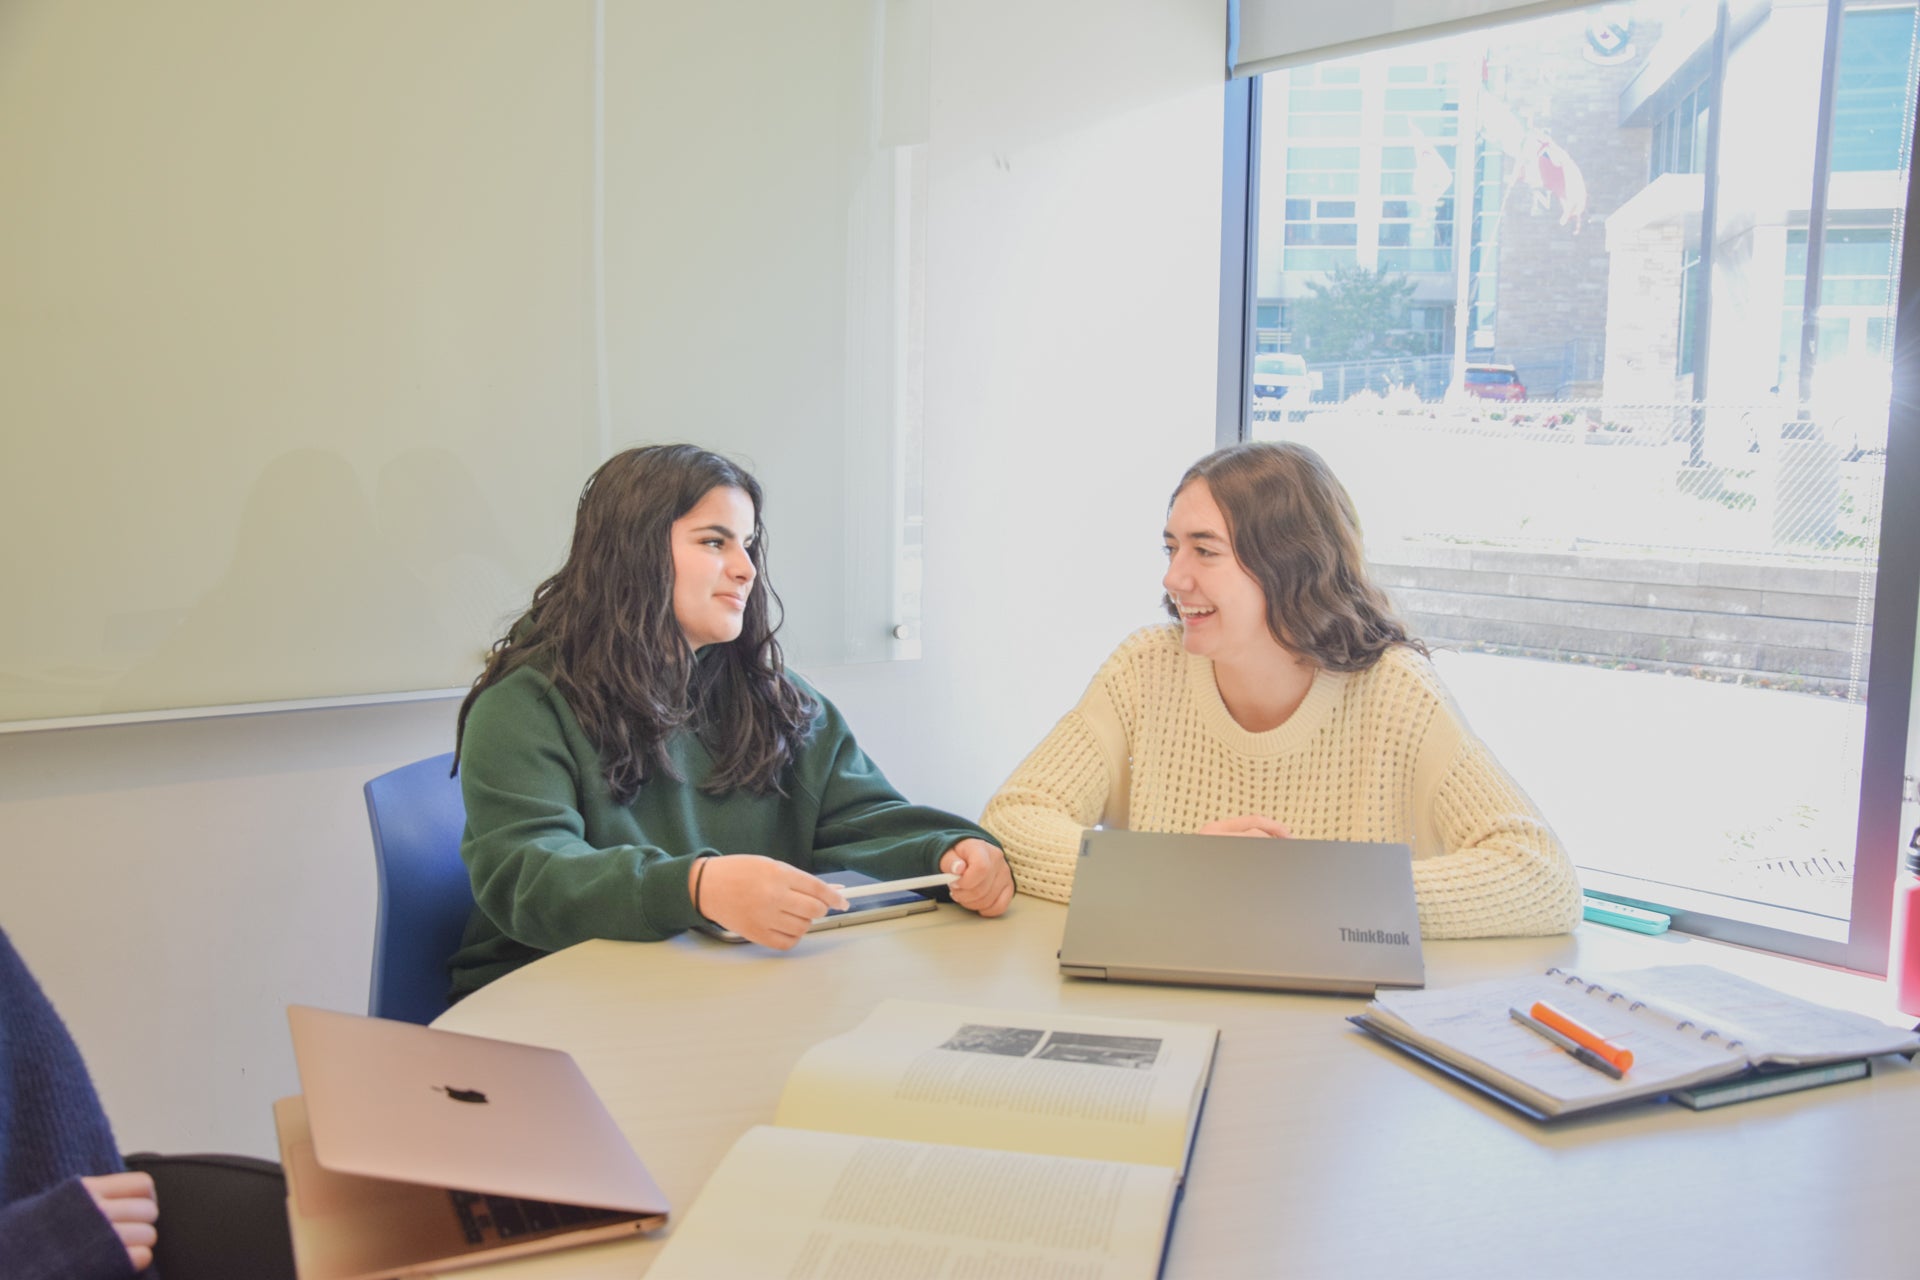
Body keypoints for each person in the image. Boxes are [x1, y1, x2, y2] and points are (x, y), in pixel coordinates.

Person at [450, 444, 1014, 998]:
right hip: (554, 1001)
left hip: (715, 990)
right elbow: (530, 877)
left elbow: (859, 814)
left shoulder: (773, 696)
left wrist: (948, 850)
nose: (745, 569)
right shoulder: (523, 706)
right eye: (714, 542)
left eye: (747, 545)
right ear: (632, 552)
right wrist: (695, 888)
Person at [981, 440, 1581, 937]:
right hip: (1165, 1006)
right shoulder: (1145, 667)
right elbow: (1015, 818)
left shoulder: (1395, 691)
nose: (1173, 577)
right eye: (1171, 548)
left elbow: (1541, 877)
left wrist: (1302, 889)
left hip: (1339, 1044)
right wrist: (1172, 872)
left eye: (1205, 551)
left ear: (1289, 563)